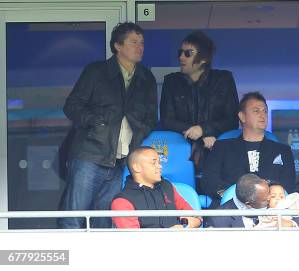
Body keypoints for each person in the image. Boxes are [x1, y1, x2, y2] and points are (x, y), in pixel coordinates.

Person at [59, 22, 157, 229]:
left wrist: (140, 132)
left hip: (120, 161)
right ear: (117, 46)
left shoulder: (146, 77)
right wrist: (96, 122)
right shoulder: (97, 71)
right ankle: (68, 258)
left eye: (142, 43)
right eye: (133, 42)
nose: (140, 47)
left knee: (103, 220)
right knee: (74, 217)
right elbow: (72, 106)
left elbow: (150, 116)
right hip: (90, 154)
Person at [159, 30, 239, 193]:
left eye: (188, 53)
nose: (181, 57)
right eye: (180, 52)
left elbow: (232, 118)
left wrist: (204, 129)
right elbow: (167, 120)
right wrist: (202, 134)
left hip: (216, 150)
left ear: (204, 59)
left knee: (217, 196)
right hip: (181, 152)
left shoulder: (223, 79)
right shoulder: (172, 81)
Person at [202, 92, 296, 206]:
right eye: (256, 111)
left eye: (265, 111)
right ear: (242, 116)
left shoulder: (282, 150)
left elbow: (288, 186)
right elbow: (209, 181)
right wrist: (235, 196)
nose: (263, 115)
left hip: (271, 210)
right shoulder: (222, 147)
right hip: (231, 209)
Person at [111, 147, 202, 228]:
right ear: (137, 167)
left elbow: (195, 216)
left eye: (159, 162)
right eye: (153, 163)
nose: (160, 166)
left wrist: (193, 223)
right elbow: (132, 241)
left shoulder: (167, 186)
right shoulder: (122, 201)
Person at [207, 174, 298, 228]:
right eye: (265, 199)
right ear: (249, 204)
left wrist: (290, 224)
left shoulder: (275, 200)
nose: (271, 198)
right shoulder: (218, 221)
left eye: (269, 192)